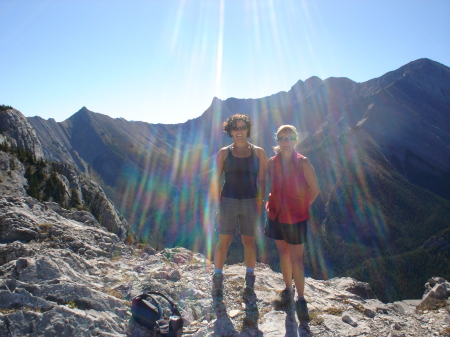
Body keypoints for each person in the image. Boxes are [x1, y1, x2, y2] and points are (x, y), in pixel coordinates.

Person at [265, 125, 320, 322]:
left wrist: (301, 207)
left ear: (296, 140)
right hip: (276, 216)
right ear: (277, 141)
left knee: (297, 259)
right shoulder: (272, 163)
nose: (286, 142)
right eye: (282, 138)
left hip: (296, 218)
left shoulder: (303, 162)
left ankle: (301, 299)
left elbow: (314, 190)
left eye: (290, 138)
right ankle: (288, 290)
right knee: (283, 253)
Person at [211, 114, 267, 300]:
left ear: (248, 129)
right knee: (223, 242)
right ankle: (217, 278)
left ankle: (249, 280)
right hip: (228, 201)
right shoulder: (224, 153)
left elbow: (262, 179)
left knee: (249, 242)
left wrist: (260, 201)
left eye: (243, 127)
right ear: (230, 131)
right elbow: (217, 179)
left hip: (251, 201)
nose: (239, 131)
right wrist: (216, 201)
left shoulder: (259, 152)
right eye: (235, 128)